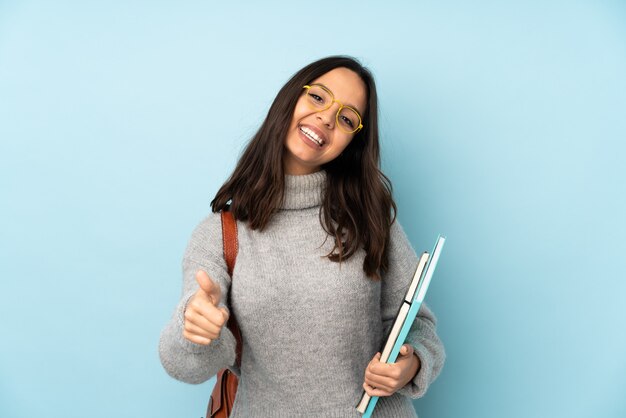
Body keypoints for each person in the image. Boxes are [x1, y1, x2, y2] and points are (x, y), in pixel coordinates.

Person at [158, 55, 445, 417]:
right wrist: (195, 327)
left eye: (346, 118)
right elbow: (181, 364)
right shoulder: (220, 234)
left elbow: (419, 327)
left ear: (351, 142)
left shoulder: (372, 218)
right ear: (291, 98)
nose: (326, 117)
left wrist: (410, 365)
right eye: (319, 97)